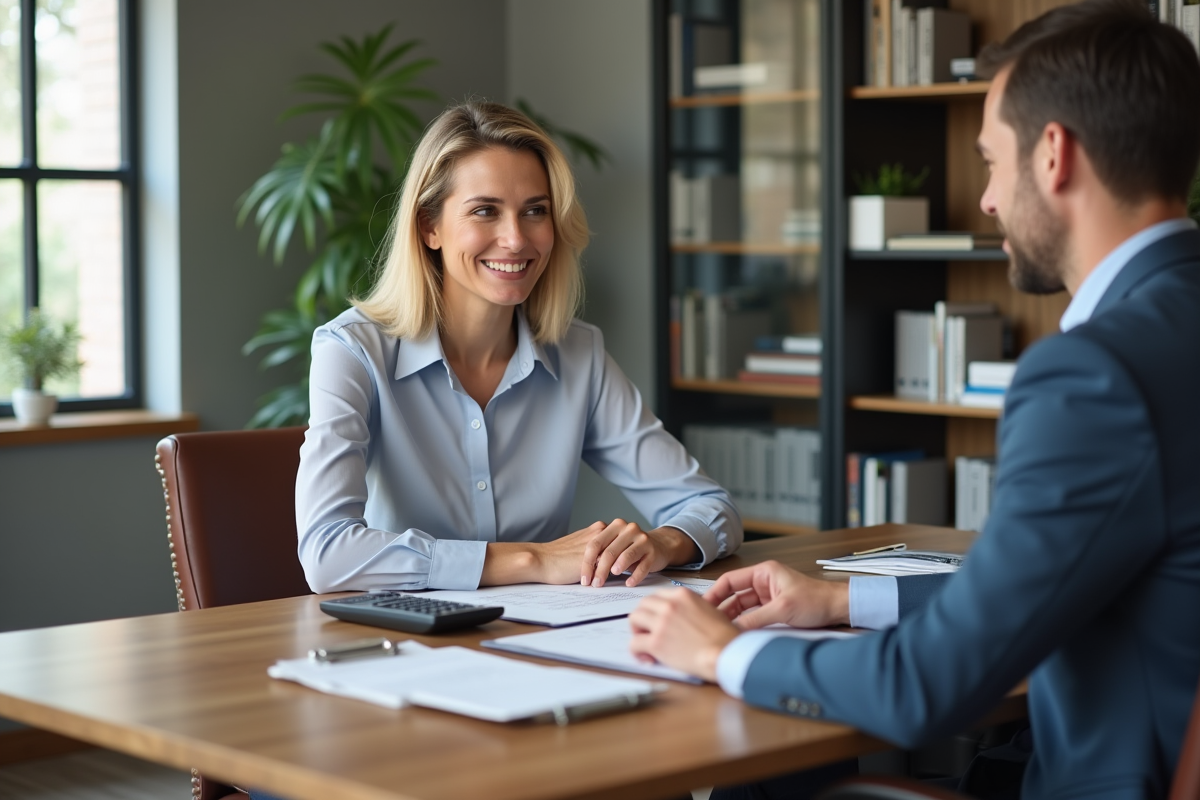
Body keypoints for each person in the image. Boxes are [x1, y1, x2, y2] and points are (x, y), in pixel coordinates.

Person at [629, 2, 1200, 797]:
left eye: (992, 162)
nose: (990, 200)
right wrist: (842, 599)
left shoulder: (1094, 375)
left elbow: (926, 688)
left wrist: (719, 652)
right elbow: (1058, 585)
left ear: (1054, 156)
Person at [294, 101, 741, 595]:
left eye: (535, 211)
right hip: (404, 643)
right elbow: (328, 553)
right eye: (485, 210)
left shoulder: (578, 354)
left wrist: (662, 543)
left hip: (544, 636)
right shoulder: (352, 351)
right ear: (430, 226)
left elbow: (710, 507)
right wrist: (534, 559)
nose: (515, 238)